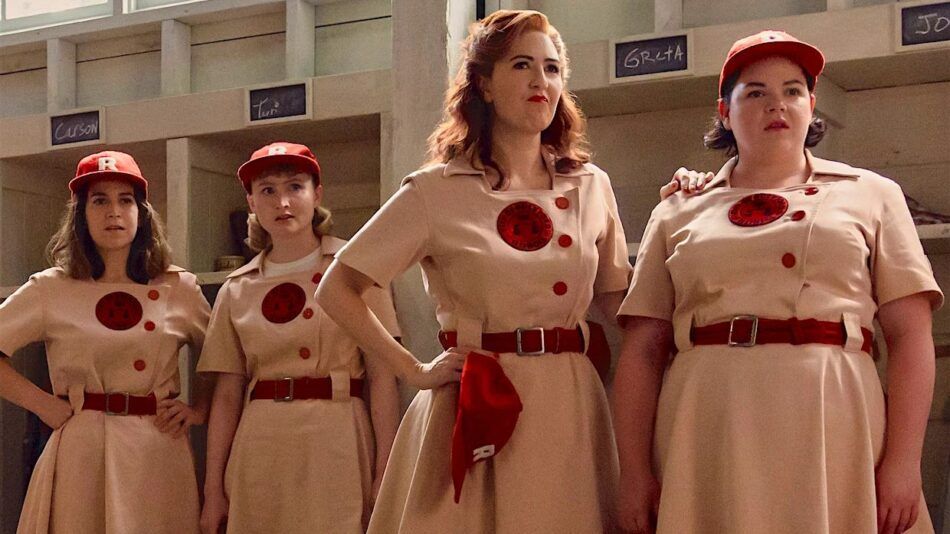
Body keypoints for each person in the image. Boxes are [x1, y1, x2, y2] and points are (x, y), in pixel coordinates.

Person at [316, 9, 644, 532]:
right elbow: (337, 288)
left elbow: (615, 302)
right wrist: (413, 370)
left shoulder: (590, 185)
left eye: (552, 68)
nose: (541, 81)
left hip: (569, 402)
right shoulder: (435, 190)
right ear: (484, 85)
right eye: (521, 65)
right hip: (475, 403)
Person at [612, 30, 942, 534]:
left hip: (835, 417)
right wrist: (634, 472)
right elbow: (641, 352)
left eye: (792, 90)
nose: (777, 105)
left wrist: (904, 461)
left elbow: (911, 335)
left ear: (812, 105)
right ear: (724, 112)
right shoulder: (677, 209)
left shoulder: (873, 195)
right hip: (709, 424)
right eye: (756, 93)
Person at [0, 150, 211, 534]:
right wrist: (43, 405)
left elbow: (222, 358)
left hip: (157, 448)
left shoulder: (178, 287)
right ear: (80, 214)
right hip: (82, 450)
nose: (113, 212)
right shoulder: (50, 288)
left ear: (141, 213)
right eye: (99, 201)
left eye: (125, 200)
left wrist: (199, 409)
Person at [197, 142, 401, 534]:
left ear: (317, 194)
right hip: (260, 443)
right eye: (267, 190)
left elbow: (383, 377)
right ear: (252, 202)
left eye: (295, 186)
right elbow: (227, 395)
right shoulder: (236, 289)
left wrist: (386, 472)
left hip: (338, 438)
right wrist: (213, 491)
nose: (282, 202)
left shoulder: (355, 270)